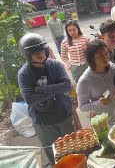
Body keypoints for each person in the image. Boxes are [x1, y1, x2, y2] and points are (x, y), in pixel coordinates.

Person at [18, 33, 74, 166]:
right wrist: (56, 89)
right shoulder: (24, 73)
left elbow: (67, 85)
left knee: (73, 147)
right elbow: (29, 99)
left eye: (42, 50)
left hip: (64, 113)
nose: (40, 54)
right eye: (35, 52)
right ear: (27, 55)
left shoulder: (55, 65)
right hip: (43, 121)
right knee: (54, 153)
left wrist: (40, 89)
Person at [77, 39, 115, 125]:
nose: (105, 57)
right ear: (91, 58)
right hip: (104, 122)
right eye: (100, 56)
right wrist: (99, 103)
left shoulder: (114, 69)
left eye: (106, 53)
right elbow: (82, 107)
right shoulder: (85, 81)